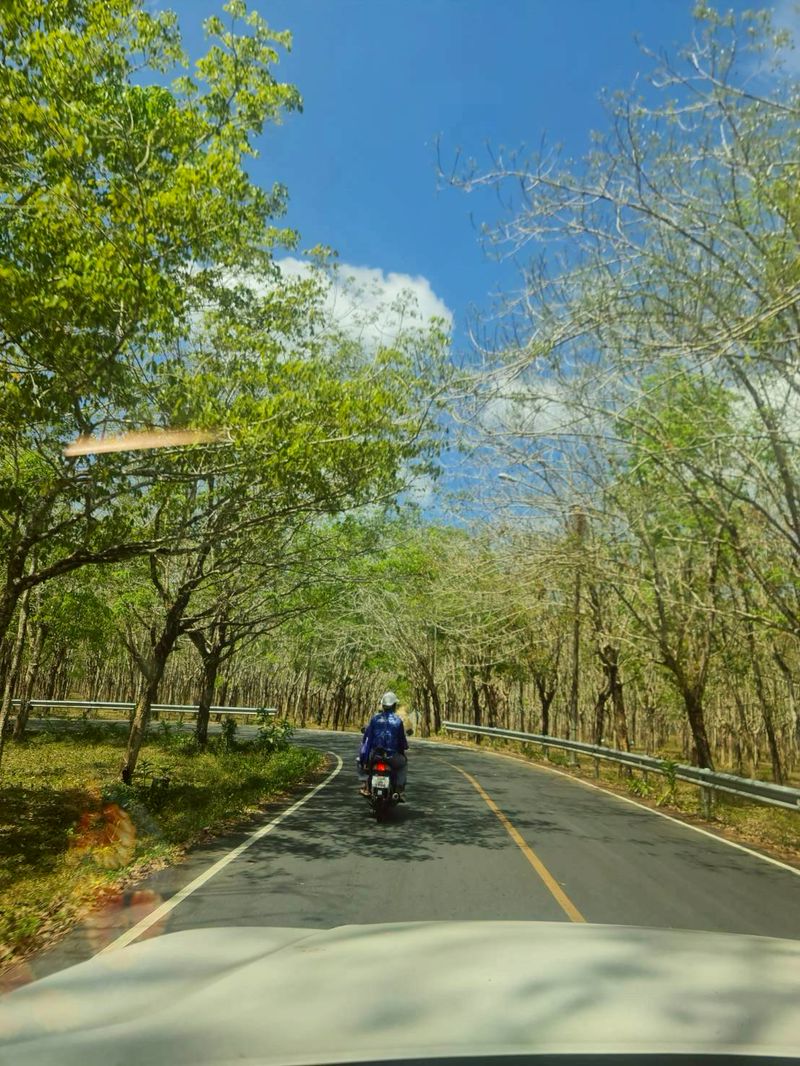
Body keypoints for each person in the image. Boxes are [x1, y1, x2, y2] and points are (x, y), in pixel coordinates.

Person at [358, 691, 409, 799]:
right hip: (391, 757)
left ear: (383, 705)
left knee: (359, 760)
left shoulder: (375, 719)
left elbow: (367, 739)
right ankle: (399, 788)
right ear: (394, 705)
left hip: (375, 756)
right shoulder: (398, 721)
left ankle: (364, 784)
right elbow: (402, 742)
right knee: (403, 764)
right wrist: (404, 748)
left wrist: (365, 756)